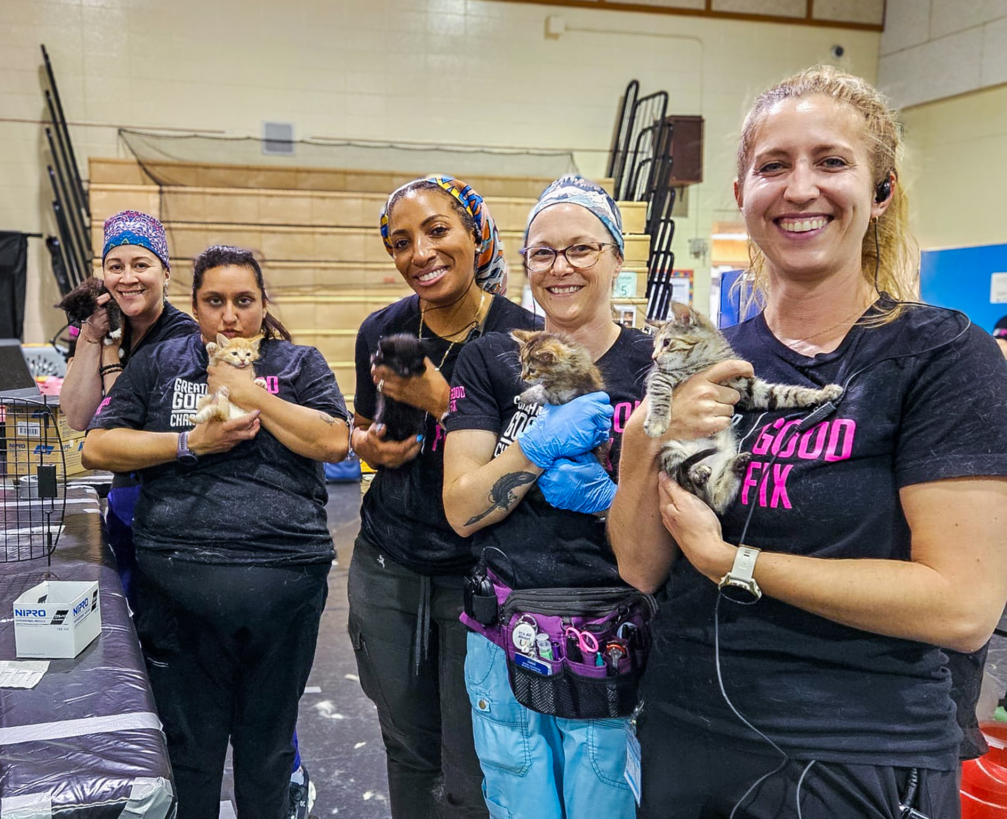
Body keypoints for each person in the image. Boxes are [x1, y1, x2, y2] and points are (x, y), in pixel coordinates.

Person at [610, 65, 1007, 819]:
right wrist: (643, 440)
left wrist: (735, 563)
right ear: (742, 193)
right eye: (773, 166)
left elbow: (961, 606)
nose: (799, 190)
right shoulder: (706, 356)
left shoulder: (942, 355)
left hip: (861, 749)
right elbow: (639, 564)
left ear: (880, 192)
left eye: (831, 162)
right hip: (690, 734)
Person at [83, 245, 350, 819]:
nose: (229, 315)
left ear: (261, 305)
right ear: (196, 306)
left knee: (268, 750)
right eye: (215, 301)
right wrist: (188, 444)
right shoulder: (159, 363)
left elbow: (332, 441)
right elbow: (97, 446)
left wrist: (249, 391)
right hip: (179, 584)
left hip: (285, 579)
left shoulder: (300, 364)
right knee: (190, 752)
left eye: (243, 301)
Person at [443, 175, 650, 819]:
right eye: (542, 252)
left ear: (617, 257)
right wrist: (535, 449)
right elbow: (461, 506)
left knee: (607, 800)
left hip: (616, 630)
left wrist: (607, 499)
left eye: (582, 249)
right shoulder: (490, 362)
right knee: (518, 796)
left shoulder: (654, 368)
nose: (561, 268)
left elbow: (680, 522)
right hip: (506, 626)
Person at [347, 175, 539, 819]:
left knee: (475, 758)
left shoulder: (525, 340)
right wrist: (369, 445)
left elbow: (529, 461)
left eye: (437, 231)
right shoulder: (383, 329)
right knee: (405, 746)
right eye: (400, 242)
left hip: (484, 579)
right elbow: (365, 422)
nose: (419, 253)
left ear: (476, 234)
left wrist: (443, 402)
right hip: (389, 564)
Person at [60, 210, 196, 604]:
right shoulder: (109, 330)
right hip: (124, 505)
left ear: (165, 272)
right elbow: (77, 415)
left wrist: (109, 355)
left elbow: (123, 428)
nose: (128, 278)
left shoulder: (181, 339)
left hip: (168, 511)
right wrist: (92, 335)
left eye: (141, 264)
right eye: (115, 266)